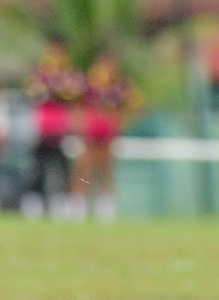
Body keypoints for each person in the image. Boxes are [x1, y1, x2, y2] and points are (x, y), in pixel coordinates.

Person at [21, 41, 86, 219]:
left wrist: (58, 90)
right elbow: (32, 92)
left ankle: (64, 204)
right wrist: (51, 89)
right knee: (37, 167)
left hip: (62, 128)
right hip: (42, 127)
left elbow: (75, 94)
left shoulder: (70, 74)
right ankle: (34, 203)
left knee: (63, 168)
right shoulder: (40, 73)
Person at [72, 53, 140, 221]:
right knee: (84, 171)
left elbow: (136, 105)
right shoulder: (89, 86)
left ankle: (106, 208)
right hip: (90, 137)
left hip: (108, 137)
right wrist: (80, 126)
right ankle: (78, 205)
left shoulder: (119, 87)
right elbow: (77, 106)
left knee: (106, 172)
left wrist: (120, 122)